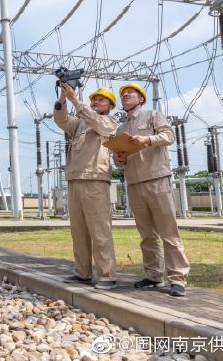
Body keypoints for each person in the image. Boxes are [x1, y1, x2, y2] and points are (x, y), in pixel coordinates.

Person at [114, 83, 190, 297]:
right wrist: (118, 158)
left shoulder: (153, 116)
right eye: (123, 95)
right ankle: (154, 275)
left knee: (169, 232)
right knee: (147, 235)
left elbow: (169, 137)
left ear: (141, 98)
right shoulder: (120, 129)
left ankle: (177, 278)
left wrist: (147, 139)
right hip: (134, 183)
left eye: (130, 93)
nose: (125, 96)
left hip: (157, 178)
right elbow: (119, 161)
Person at [53, 82, 118, 290]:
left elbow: (97, 122)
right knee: (78, 231)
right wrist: (63, 98)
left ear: (110, 106)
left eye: (100, 99)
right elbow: (62, 120)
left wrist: (75, 100)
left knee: (100, 229)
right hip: (75, 178)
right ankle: (82, 273)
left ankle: (107, 275)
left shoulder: (109, 122)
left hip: (95, 179)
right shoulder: (80, 124)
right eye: (93, 99)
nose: (95, 102)